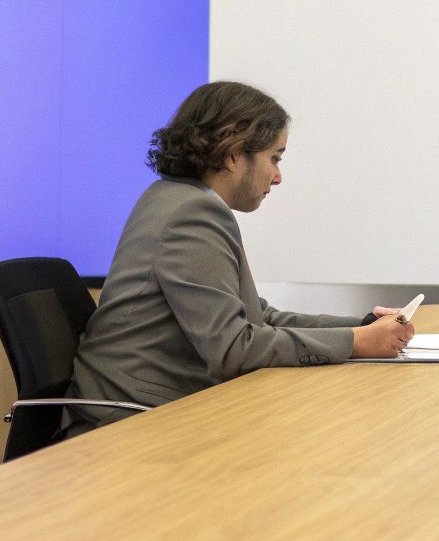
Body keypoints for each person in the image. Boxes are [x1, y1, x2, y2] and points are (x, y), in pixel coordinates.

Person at [65, 81, 414, 436]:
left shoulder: (177, 198)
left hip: (153, 410)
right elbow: (233, 347)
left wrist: (360, 325)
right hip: (127, 423)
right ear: (233, 153)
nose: (277, 177)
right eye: (274, 158)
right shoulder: (192, 213)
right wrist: (355, 342)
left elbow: (256, 316)